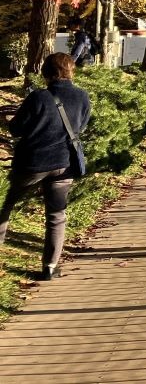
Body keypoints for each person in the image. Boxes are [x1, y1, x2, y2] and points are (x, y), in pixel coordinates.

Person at [0, 53, 91, 280]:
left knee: (6, 203)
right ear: (72, 71)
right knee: (56, 215)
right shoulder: (82, 96)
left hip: (32, 164)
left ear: (46, 73)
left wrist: (10, 121)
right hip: (64, 163)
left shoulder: (39, 97)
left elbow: (17, 130)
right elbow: (81, 126)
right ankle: (50, 267)